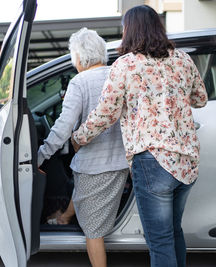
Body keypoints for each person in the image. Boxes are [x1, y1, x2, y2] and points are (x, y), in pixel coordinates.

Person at [71, 5, 208, 267]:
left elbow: (105, 113)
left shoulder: (125, 65)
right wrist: (172, 96)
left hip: (153, 162)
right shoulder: (182, 59)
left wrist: (79, 137)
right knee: (173, 231)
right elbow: (200, 99)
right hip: (187, 161)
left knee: (159, 240)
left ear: (129, 30)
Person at [37, 27, 129, 267]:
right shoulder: (118, 74)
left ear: (78, 56)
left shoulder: (80, 81)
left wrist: (41, 154)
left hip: (95, 165)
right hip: (121, 162)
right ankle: (65, 216)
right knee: (83, 192)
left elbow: (63, 126)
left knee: (93, 232)